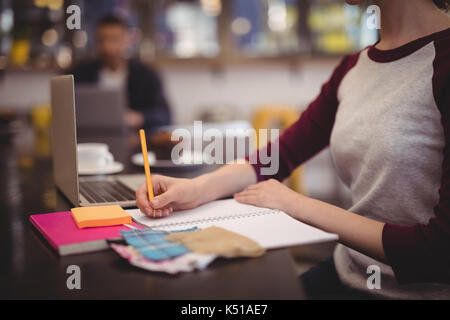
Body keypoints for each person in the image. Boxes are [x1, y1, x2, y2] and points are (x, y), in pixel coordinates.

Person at [136, 0, 450, 299]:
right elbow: (281, 154)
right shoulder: (354, 67)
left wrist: (295, 204)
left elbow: (438, 253)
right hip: (351, 273)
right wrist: (196, 188)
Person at [70, 15, 171, 130]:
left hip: (134, 140)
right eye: (102, 40)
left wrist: (139, 118)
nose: (108, 47)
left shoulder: (146, 75)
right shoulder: (80, 73)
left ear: (127, 40)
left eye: (114, 39)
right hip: (92, 139)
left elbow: (164, 115)